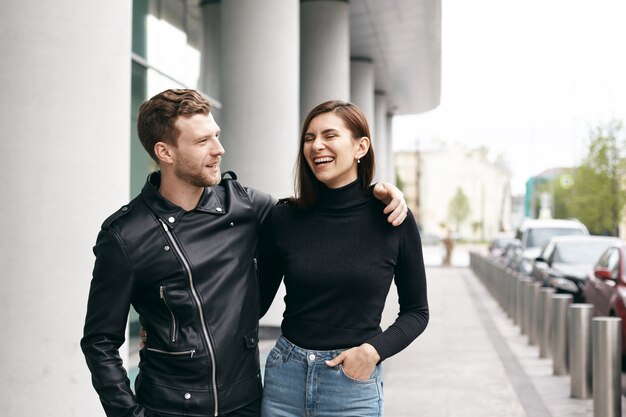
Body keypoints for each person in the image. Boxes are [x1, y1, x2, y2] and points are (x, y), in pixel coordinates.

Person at [80, 89, 408, 417]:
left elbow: (318, 216)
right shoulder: (125, 235)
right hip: (167, 407)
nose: (219, 150)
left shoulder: (248, 207)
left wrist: (381, 193)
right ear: (165, 152)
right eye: (202, 142)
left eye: (216, 137)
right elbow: (100, 343)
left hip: (247, 404)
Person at [258, 100, 429, 417]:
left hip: (351, 385)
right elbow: (252, 304)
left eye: (329, 135)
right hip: (285, 379)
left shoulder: (392, 218)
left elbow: (417, 312)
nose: (316, 145)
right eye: (309, 137)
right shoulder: (283, 218)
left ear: (360, 146)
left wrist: (373, 351)